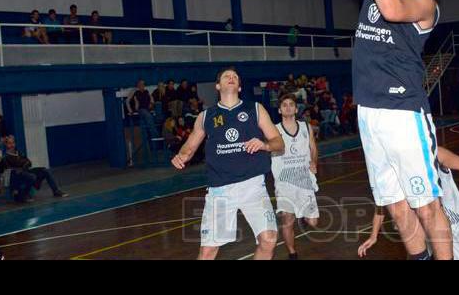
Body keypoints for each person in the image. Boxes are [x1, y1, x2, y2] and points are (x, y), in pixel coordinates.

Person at [335, 0, 451, 259]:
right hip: (369, 112)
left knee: (426, 206)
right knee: (397, 207)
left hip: (403, 114)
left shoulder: (423, 2)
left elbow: (392, 9)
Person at [171, 67, 284, 260]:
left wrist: (264, 145)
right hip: (221, 190)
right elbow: (189, 146)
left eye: (235, 77)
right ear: (218, 86)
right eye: (226, 76)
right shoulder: (206, 116)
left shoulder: (255, 109)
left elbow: (278, 142)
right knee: (208, 252)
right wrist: (181, 155)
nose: (231, 78)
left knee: (269, 239)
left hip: (253, 187)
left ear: (239, 87)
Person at [358, 146, 459, 260]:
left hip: (454, 224)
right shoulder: (395, 165)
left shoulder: (434, 153)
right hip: (425, 226)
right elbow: (384, 202)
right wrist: (374, 235)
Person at [271, 93, 319, 260]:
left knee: (313, 222)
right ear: (279, 109)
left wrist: (313, 161)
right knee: (287, 220)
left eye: (291, 104)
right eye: (284, 105)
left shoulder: (306, 127)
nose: (288, 107)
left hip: (304, 180)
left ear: (296, 108)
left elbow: (313, 148)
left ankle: (305, 220)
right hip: (284, 183)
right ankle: (292, 254)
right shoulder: (274, 130)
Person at [3, 135, 68, 199]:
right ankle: (24, 194)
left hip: (25, 171)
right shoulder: (6, 157)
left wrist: (24, 165)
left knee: (44, 170)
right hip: (17, 176)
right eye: (9, 143)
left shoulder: (19, 152)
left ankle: (55, 191)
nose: (12, 145)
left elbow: (29, 162)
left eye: (13, 143)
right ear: (6, 145)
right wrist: (23, 165)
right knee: (31, 176)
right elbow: (10, 170)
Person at [127, 80, 160, 150]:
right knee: (146, 114)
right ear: (138, 85)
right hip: (140, 110)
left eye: (143, 84)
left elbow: (152, 100)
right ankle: (156, 133)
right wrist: (130, 110)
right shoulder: (134, 92)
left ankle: (154, 144)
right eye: (141, 84)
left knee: (150, 119)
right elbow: (127, 101)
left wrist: (151, 103)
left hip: (147, 110)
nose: (142, 86)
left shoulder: (146, 92)